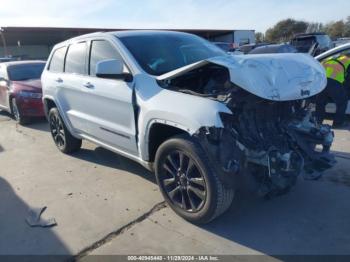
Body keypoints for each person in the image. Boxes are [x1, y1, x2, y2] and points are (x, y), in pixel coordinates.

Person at [316, 51, 350, 128]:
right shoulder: (347, 60)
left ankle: (318, 121)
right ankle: (338, 123)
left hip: (322, 82)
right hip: (334, 82)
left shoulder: (329, 58)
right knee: (342, 102)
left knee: (320, 102)